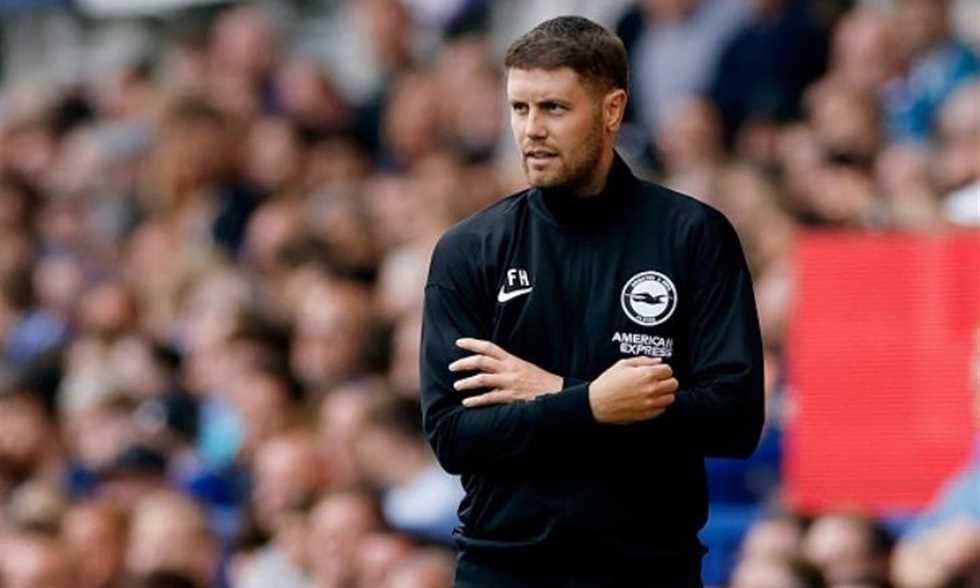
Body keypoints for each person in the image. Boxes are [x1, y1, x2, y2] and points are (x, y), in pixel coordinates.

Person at [420, 15, 764, 588]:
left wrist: (553, 390)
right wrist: (589, 403)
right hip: (504, 567)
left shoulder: (692, 235)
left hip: (648, 569)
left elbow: (734, 419)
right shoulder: (470, 250)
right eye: (519, 108)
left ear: (612, 110)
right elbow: (454, 437)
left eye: (554, 108)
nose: (531, 130)